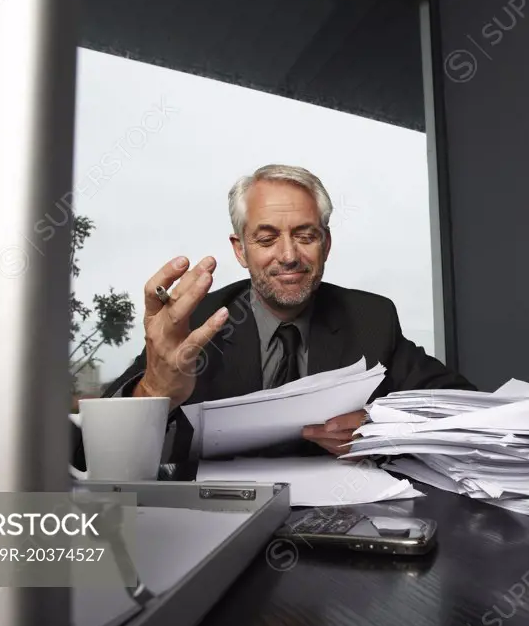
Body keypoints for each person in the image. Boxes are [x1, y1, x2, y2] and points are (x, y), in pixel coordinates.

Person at [97, 164, 475, 473]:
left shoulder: (371, 319)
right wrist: (152, 391)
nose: (289, 255)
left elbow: (464, 405)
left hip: (337, 529)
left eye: (305, 235)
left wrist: (384, 427)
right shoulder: (192, 323)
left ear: (325, 243)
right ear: (241, 250)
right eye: (266, 239)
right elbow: (87, 453)